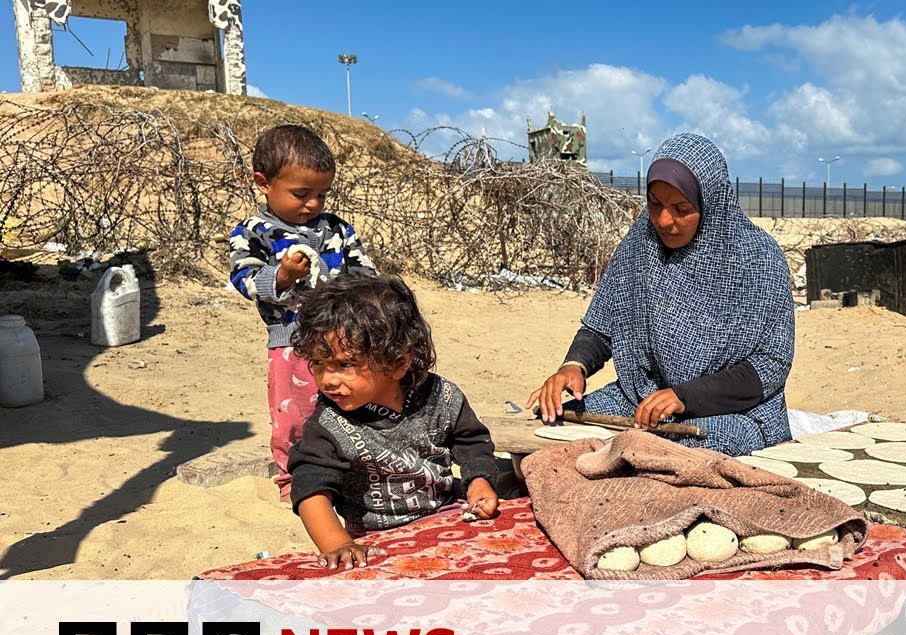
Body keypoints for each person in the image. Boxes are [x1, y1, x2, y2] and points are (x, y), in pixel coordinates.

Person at [527, 133, 795, 457]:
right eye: (655, 204)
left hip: (729, 412)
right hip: (644, 399)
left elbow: (770, 364)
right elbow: (602, 325)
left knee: (690, 454)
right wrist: (574, 366)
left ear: (710, 202)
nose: (665, 221)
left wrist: (685, 396)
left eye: (682, 208)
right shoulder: (640, 245)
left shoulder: (758, 259)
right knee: (553, 428)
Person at [288, 275, 499, 570]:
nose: (327, 380)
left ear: (398, 362)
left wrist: (479, 481)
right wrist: (339, 545)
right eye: (319, 364)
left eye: (345, 365)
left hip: (451, 517)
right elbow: (310, 487)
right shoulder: (329, 423)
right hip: (377, 540)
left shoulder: (443, 397)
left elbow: (471, 442)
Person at [228, 124, 378, 500]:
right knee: (293, 418)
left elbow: (365, 273)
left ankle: (352, 471)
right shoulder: (254, 232)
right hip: (291, 343)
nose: (312, 204)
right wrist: (281, 276)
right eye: (301, 194)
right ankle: (293, 481)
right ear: (263, 183)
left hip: (345, 342)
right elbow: (243, 278)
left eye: (321, 194)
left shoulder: (338, 230)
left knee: (349, 406)